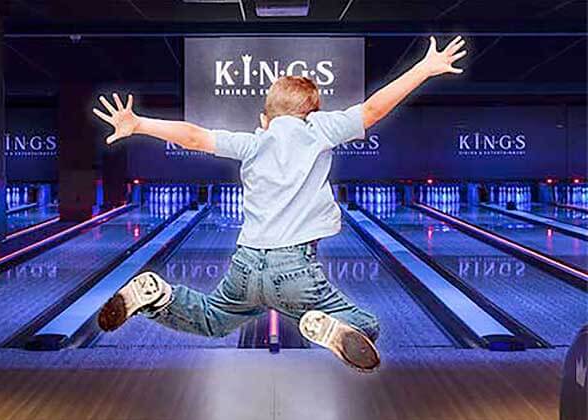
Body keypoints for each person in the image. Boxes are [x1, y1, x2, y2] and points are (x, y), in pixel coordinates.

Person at [92, 36, 466, 372]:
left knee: (213, 319)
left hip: (245, 264)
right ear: (313, 114)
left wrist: (138, 124)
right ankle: (331, 326)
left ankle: (160, 295)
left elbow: (192, 136)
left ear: (263, 119)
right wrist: (423, 68)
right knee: (367, 324)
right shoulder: (320, 129)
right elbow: (373, 110)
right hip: (296, 269)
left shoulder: (252, 142)